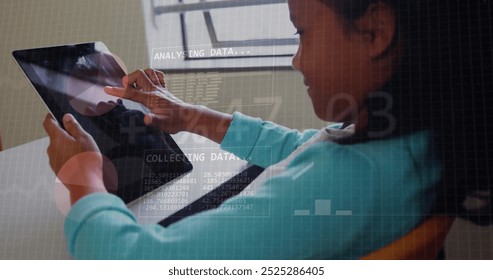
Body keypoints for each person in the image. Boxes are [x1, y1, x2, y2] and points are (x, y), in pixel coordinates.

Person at [43, 0, 492, 259]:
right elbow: (303, 147)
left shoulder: (344, 183)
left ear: (375, 31)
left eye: (302, 33)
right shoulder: (413, 145)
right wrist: (192, 116)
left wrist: (82, 179)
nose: (296, 59)